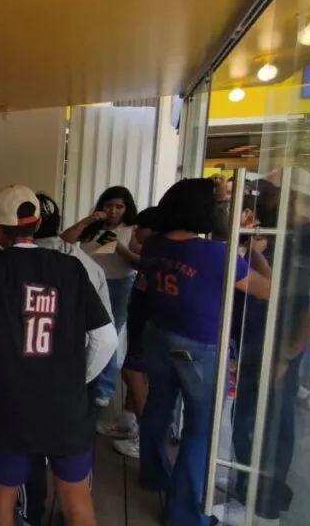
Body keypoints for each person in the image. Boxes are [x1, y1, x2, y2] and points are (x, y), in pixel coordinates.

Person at [0, 184, 118, 526]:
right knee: (76, 502)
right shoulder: (71, 267)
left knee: (2, 497)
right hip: (67, 406)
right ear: (35, 224)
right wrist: (78, 378)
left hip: (13, 402)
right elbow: (106, 338)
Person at [215, 168, 310, 526]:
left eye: (269, 192)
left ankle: (262, 506)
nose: (261, 198)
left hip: (280, 349)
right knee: (247, 416)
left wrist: (286, 356)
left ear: (291, 195)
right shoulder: (285, 232)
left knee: (268, 423)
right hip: (258, 338)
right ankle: (248, 481)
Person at [137, 178, 271, 526]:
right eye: (220, 204)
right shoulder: (216, 254)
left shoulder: (153, 246)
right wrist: (252, 247)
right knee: (202, 427)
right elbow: (264, 290)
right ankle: (183, 514)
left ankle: (153, 474)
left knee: (158, 406)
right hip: (199, 347)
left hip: (159, 335)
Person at [14, 192, 115, 525]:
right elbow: (106, 337)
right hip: (75, 375)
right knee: (74, 462)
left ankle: (30, 513)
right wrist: (82, 376)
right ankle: (70, 513)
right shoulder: (84, 264)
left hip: (28, 377)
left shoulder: (9, 265)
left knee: (27, 451)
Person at [61, 186, 139, 408]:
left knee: (108, 333)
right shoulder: (92, 227)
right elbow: (65, 239)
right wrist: (88, 220)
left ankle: (104, 388)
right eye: (109, 205)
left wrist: (118, 247)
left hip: (118, 285)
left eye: (119, 206)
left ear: (126, 208)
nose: (114, 211)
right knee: (83, 332)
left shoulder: (132, 229)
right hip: (88, 284)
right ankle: (84, 380)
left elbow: (138, 260)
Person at [110, 206, 162, 459]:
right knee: (133, 368)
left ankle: (146, 439)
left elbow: (139, 261)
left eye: (140, 227)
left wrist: (120, 247)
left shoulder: (159, 252)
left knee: (134, 372)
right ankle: (128, 422)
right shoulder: (152, 249)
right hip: (141, 315)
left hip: (148, 319)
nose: (136, 230)